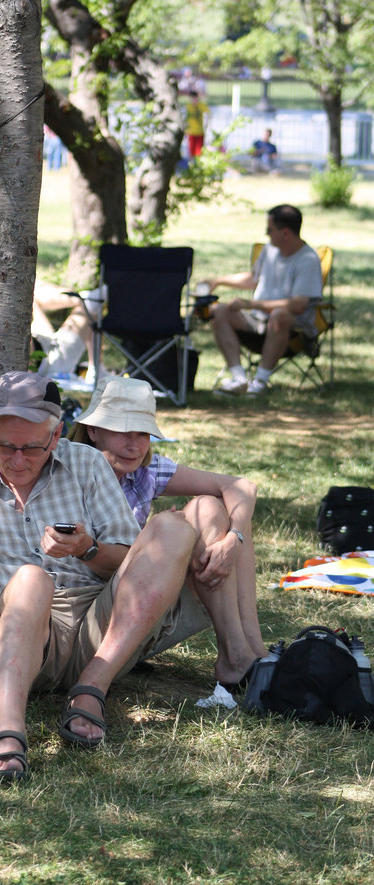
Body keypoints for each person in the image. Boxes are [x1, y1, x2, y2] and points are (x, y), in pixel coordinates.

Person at [0, 371, 222, 780]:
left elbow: (127, 559)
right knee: (32, 578)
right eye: (5, 447)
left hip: (98, 629)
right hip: (10, 631)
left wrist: (86, 549)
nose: (18, 460)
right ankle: (8, 732)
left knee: (173, 528)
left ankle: (92, 689)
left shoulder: (86, 464)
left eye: (32, 447)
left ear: (56, 436)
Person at [70, 375, 267, 688]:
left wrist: (234, 539)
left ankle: (252, 653)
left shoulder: (144, 471)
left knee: (213, 508)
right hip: (94, 621)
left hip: (140, 603)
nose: (134, 445)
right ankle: (241, 661)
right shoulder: (69, 471)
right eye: (122, 432)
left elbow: (241, 486)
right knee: (186, 525)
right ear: (93, 430)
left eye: (143, 433)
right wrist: (160, 539)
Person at [203, 204, 323, 396]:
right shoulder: (269, 250)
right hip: (257, 324)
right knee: (219, 310)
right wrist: (218, 281)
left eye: (269, 229)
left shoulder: (307, 260)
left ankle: (260, 381)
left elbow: (298, 305)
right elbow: (253, 279)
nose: (266, 234)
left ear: (285, 233)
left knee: (279, 315)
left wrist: (251, 304)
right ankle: (239, 379)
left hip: (293, 331)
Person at [31, 280, 99, 385]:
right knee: (91, 308)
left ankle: (81, 298)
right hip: (54, 359)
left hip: (42, 339)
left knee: (28, 290)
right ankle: (97, 369)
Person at [184, 90, 209, 159]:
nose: (194, 100)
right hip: (191, 132)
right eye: (192, 98)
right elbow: (186, 119)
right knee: (191, 152)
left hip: (200, 132)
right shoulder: (188, 107)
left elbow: (207, 115)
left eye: (195, 98)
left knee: (199, 152)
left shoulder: (202, 106)